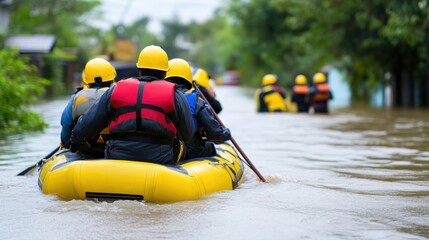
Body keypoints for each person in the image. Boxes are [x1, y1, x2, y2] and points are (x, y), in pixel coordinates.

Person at [70, 45, 194, 164]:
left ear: (139, 71)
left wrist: (75, 143)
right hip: (159, 159)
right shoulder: (175, 94)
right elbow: (188, 134)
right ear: (165, 74)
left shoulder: (115, 89)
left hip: (118, 155)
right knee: (181, 145)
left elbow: (87, 125)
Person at [165, 58, 231, 160]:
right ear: (188, 78)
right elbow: (216, 135)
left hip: (164, 149)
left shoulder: (158, 98)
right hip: (190, 151)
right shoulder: (197, 101)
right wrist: (226, 133)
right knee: (210, 146)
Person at [60, 58, 116, 157]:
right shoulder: (117, 95)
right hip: (112, 151)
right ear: (112, 78)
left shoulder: (76, 97)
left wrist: (66, 144)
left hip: (84, 152)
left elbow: (66, 123)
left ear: (86, 79)